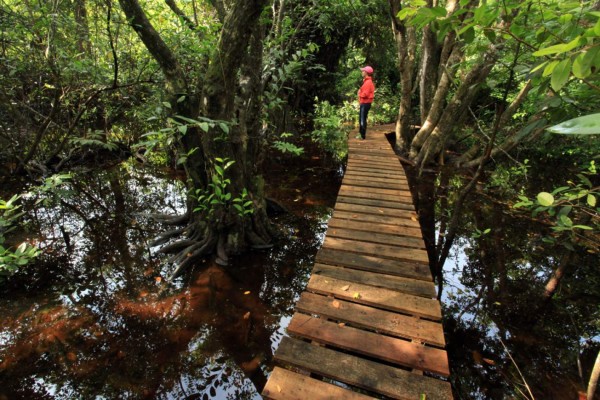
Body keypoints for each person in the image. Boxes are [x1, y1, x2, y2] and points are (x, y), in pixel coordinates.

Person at [357, 65, 375, 140]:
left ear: (366, 73)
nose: (362, 72)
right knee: (361, 119)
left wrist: (359, 93)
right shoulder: (366, 81)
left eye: (363, 71)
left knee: (362, 119)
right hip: (364, 103)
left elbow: (365, 94)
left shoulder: (368, 82)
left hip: (365, 103)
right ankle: (361, 134)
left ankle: (362, 136)